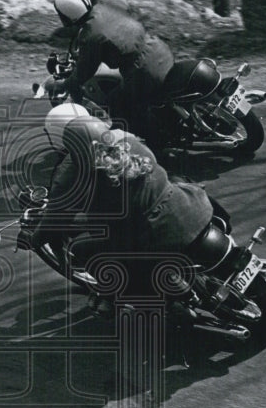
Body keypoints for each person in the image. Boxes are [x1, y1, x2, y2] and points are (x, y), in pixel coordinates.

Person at [21, 107, 232, 304]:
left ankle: (142, 296)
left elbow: (56, 219)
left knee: (83, 250)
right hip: (190, 203)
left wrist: (34, 239)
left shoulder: (74, 173)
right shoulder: (131, 141)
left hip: (156, 229)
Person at [51, 0, 175, 145]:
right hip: (159, 49)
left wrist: (65, 84)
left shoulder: (91, 35)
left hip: (143, 68)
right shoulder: (109, 6)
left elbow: (84, 72)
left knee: (117, 103)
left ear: (68, 15)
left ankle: (157, 142)